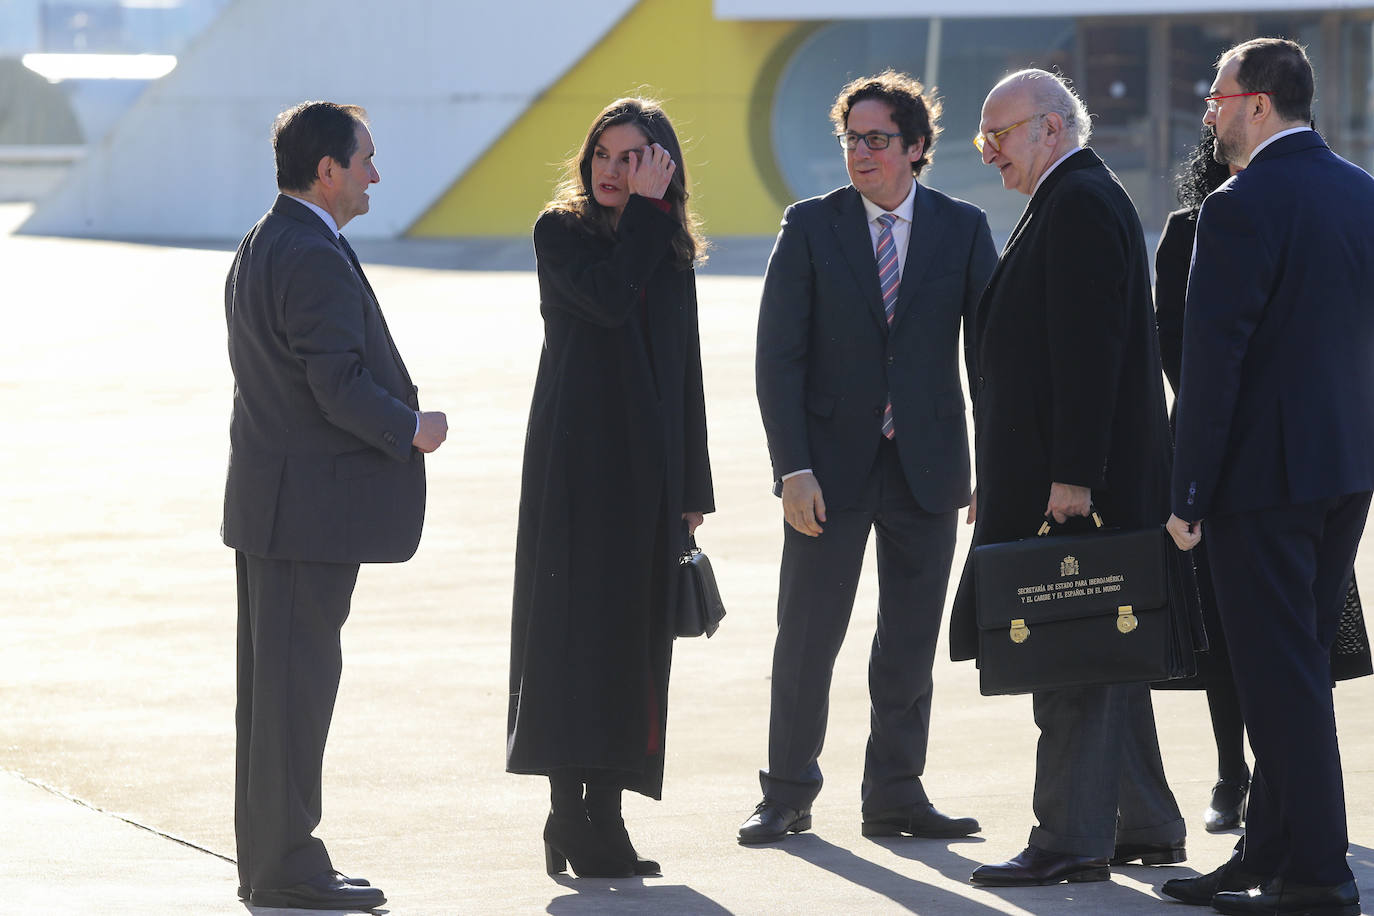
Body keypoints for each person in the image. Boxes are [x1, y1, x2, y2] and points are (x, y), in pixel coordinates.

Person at [742, 70, 996, 845]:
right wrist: (791, 468)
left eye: (877, 139)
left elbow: (990, 359)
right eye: (851, 139)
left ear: (917, 149)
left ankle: (895, 795)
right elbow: (776, 357)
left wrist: (998, 466)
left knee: (909, 644)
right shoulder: (810, 226)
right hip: (827, 471)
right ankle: (786, 793)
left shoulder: (962, 227)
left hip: (927, 470)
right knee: (808, 636)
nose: (860, 152)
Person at [949, 69, 1185, 887]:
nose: (988, 153)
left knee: (1070, 656)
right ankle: (1146, 820)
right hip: (1071, 479)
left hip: (1082, 490)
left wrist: (1074, 480)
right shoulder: (1067, 198)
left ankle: (1068, 839)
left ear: (1049, 128)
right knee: (1105, 648)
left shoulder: (1078, 203)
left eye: (998, 134)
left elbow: (1089, 357)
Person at [1163, 38, 1374, 916]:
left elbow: (1214, 362)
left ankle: (1318, 875)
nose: (1206, 114)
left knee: (1279, 679)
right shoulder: (1362, 190)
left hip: (1263, 480)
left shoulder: (1241, 203)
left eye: (1215, 98)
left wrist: (1186, 495)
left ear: (1256, 103)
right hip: (1346, 470)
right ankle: (1277, 855)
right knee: (1299, 669)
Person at [223, 101, 447, 910]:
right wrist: (411, 429)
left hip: (278, 510)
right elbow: (335, 384)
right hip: (304, 514)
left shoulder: (267, 240)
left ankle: (275, 860)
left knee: (277, 695)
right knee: (294, 693)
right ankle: (287, 867)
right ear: (328, 170)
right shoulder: (309, 253)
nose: (375, 175)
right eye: (366, 160)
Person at [507, 97, 715, 879]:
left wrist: (693, 485)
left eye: (632, 156)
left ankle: (609, 817)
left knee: (632, 645)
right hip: (575, 466)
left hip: (650, 473)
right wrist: (648, 216)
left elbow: (684, 373)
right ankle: (569, 814)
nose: (610, 169)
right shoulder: (558, 233)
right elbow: (601, 300)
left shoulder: (666, 245)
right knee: (570, 639)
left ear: (661, 165)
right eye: (602, 153)